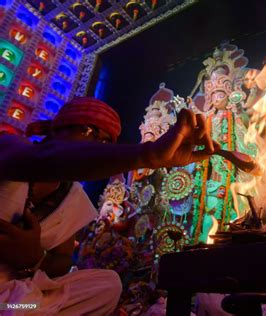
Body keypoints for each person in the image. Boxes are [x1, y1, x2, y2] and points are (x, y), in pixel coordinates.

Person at [0, 97, 218, 315]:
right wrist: (149, 154)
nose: (95, 145)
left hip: (17, 295)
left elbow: (61, 261)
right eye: (88, 131)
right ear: (56, 130)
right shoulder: (10, 146)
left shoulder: (73, 198)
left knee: (107, 284)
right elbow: (43, 160)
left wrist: (33, 258)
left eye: (105, 142)